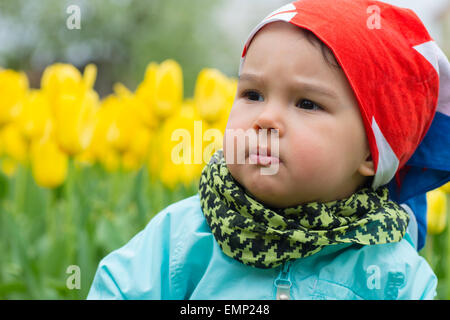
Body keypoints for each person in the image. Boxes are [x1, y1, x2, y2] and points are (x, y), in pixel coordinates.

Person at [87, 0, 450, 300]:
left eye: (306, 103)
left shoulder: (391, 271)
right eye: (252, 94)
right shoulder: (187, 235)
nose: (266, 118)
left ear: (372, 154)